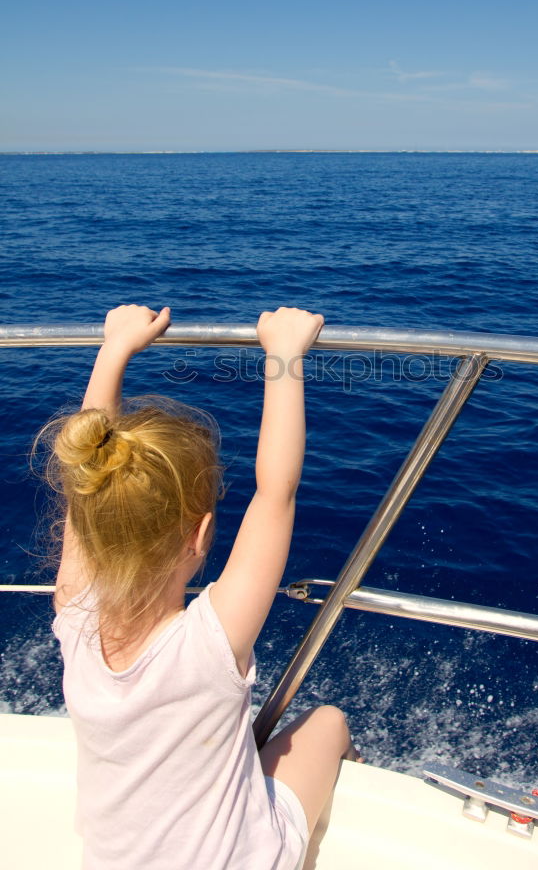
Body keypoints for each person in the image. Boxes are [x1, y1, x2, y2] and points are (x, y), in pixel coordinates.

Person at [41, 303, 358, 870]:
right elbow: (276, 492)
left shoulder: (74, 613)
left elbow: (81, 488)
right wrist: (283, 356)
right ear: (202, 532)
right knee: (328, 723)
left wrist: (113, 349)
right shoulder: (211, 640)